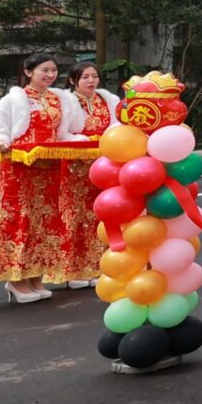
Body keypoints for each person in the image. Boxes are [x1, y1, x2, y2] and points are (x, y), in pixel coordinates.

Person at [0, 53, 85, 303]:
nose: (50, 75)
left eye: (53, 70)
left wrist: (84, 144)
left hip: (50, 169)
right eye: (44, 71)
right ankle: (15, 279)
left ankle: (36, 276)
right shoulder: (13, 101)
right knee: (19, 220)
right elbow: (1, 131)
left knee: (46, 222)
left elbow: (65, 134)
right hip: (20, 170)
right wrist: (0, 143)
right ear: (28, 72)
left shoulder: (60, 100)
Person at [53, 61, 118, 289]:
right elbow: (61, 132)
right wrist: (80, 141)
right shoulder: (67, 103)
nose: (91, 81)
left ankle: (101, 266)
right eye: (85, 77)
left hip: (104, 166)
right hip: (76, 168)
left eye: (94, 76)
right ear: (73, 81)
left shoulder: (107, 101)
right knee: (75, 218)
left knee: (101, 216)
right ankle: (74, 271)